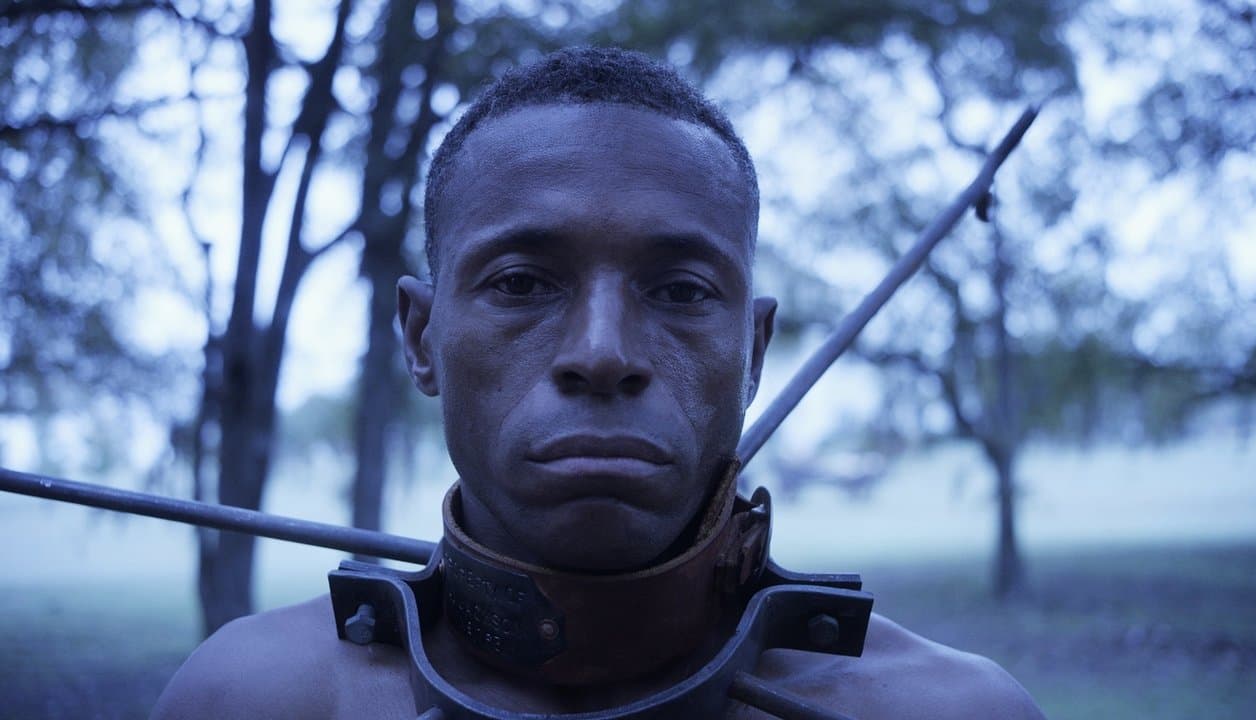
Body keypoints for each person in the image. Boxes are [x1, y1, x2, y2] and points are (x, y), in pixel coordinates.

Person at [152, 46, 1045, 720]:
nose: (604, 353)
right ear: (423, 339)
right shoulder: (249, 698)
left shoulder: (951, 711)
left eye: (682, 291)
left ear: (753, 350)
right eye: (521, 284)